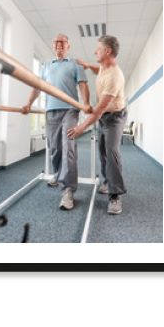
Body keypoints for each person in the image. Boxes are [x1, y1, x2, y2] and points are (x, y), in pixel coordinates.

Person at [22, 33, 91, 210]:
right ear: (53, 46)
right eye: (56, 42)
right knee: (54, 148)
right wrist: (29, 103)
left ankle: (68, 190)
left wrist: (86, 104)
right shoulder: (46, 66)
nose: (59, 44)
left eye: (63, 42)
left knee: (68, 147)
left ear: (68, 46)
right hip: (51, 111)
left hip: (70, 110)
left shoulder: (75, 64)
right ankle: (59, 174)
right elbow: (37, 87)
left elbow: (83, 84)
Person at [67, 35, 127, 215]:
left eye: (98, 48)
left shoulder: (115, 76)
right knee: (102, 150)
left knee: (111, 151)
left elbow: (99, 109)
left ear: (108, 51)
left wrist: (80, 128)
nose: (95, 51)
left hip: (115, 117)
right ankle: (107, 182)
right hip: (104, 116)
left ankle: (115, 195)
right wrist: (86, 65)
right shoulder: (104, 66)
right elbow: (97, 69)